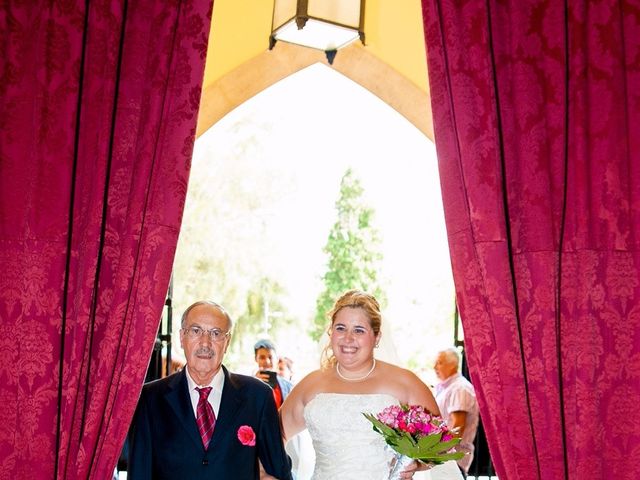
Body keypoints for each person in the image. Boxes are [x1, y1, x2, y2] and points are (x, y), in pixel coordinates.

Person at [279, 290, 444, 480]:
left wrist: (416, 464)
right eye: (340, 328)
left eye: (359, 330)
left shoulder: (405, 383)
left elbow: (439, 446)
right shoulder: (310, 384)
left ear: (377, 337)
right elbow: (272, 437)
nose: (348, 338)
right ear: (331, 333)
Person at [128, 300, 293, 480]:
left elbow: (279, 469)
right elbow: (139, 472)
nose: (205, 343)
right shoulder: (151, 399)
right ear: (182, 337)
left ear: (227, 342)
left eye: (216, 333)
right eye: (196, 331)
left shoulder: (257, 397)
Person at [433, 347, 479, 478]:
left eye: (439, 362)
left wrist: (436, 451)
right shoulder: (446, 388)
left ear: (453, 364)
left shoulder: (460, 389)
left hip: (452, 460)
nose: (434, 366)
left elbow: (458, 427)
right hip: (445, 459)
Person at [254, 339, 294, 408]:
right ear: (256, 359)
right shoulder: (248, 385)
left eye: (270, 357)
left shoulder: (289, 386)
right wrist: (254, 384)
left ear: (277, 359)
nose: (267, 361)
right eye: (262, 357)